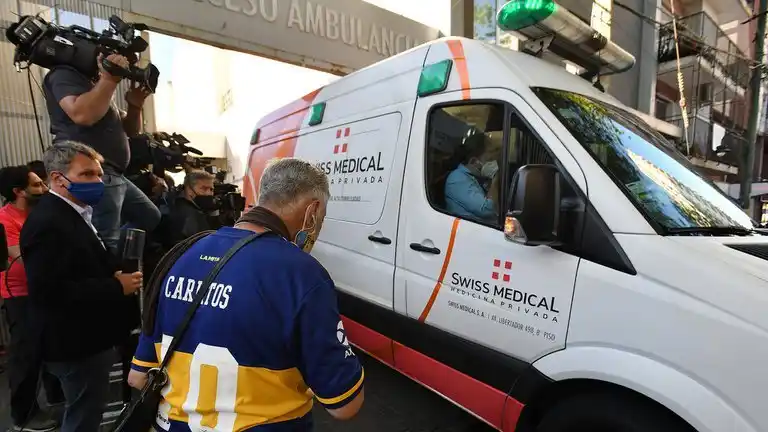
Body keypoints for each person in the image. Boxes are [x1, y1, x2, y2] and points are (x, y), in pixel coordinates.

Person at [128, 158, 364, 431]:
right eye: (320, 219)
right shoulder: (301, 274)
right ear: (312, 211)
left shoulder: (180, 255)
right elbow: (346, 405)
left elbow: (138, 377)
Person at [20, 142, 143, 432]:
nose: (97, 182)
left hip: (88, 336)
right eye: (87, 174)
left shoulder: (76, 212)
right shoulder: (48, 222)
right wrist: (115, 286)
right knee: (84, 416)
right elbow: (48, 292)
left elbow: (80, 263)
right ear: (57, 178)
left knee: (87, 409)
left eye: (99, 175)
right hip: (74, 343)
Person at [43, 53, 161, 253]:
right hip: (98, 171)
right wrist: (109, 79)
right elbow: (82, 114)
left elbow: (131, 130)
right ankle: (111, 273)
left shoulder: (96, 89)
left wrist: (135, 105)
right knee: (108, 238)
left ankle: (110, 256)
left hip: (115, 173)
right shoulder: (64, 74)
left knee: (149, 216)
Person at [0, 165, 63, 432]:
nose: (44, 189)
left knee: (51, 349)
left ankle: (56, 397)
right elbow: (19, 259)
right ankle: (22, 416)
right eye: (37, 185)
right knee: (26, 357)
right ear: (18, 192)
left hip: (45, 289)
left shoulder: (39, 214)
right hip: (20, 294)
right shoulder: (5, 220)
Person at [444, 133, 499, 221]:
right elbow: (487, 209)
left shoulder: (477, 177)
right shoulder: (457, 179)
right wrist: (496, 179)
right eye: (489, 160)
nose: (494, 161)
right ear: (474, 161)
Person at [160, 170, 216, 248]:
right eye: (204, 188)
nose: (209, 193)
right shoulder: (187, 214)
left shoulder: (177, 203)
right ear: (189, 189)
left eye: (211, 189)